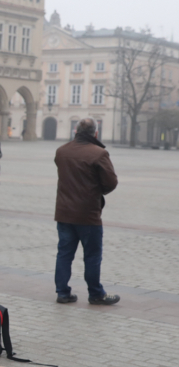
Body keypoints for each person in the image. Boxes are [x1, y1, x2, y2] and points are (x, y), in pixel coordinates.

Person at [54, 117, 120, 305]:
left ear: (75, 132)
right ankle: (95, 293)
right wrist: (99, 191)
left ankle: (62, 292)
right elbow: (111, 182)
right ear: (95, 133)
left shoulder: (61, 151)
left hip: (64, 212)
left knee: (64, 253)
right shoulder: (99, 154)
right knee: (92, 255)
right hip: (88, 214)